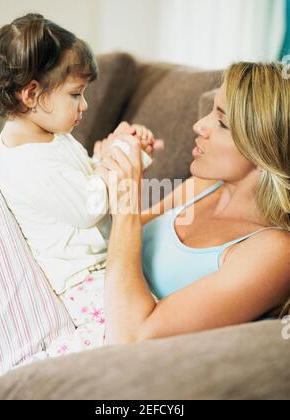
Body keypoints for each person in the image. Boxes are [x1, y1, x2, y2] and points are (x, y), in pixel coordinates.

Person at [0, 14, 161, 357]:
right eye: (76, 94)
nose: (84, 106)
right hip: (81, 280)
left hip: (103, 263)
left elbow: (85, 177)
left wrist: (124, 154)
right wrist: (121, 159)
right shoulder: (26, 162)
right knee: (129, 337)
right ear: (32, 94)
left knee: (153, 315)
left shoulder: (51, 136)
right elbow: (87, 207)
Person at [96, 62, 290, 345]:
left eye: (222, 122)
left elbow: (132, 336)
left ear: (263, 148)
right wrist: (106, 171)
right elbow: (113, 242)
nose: (199, 125)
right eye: (212, 110)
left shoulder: (274, 253)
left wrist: (125, 200)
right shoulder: (207, 184)